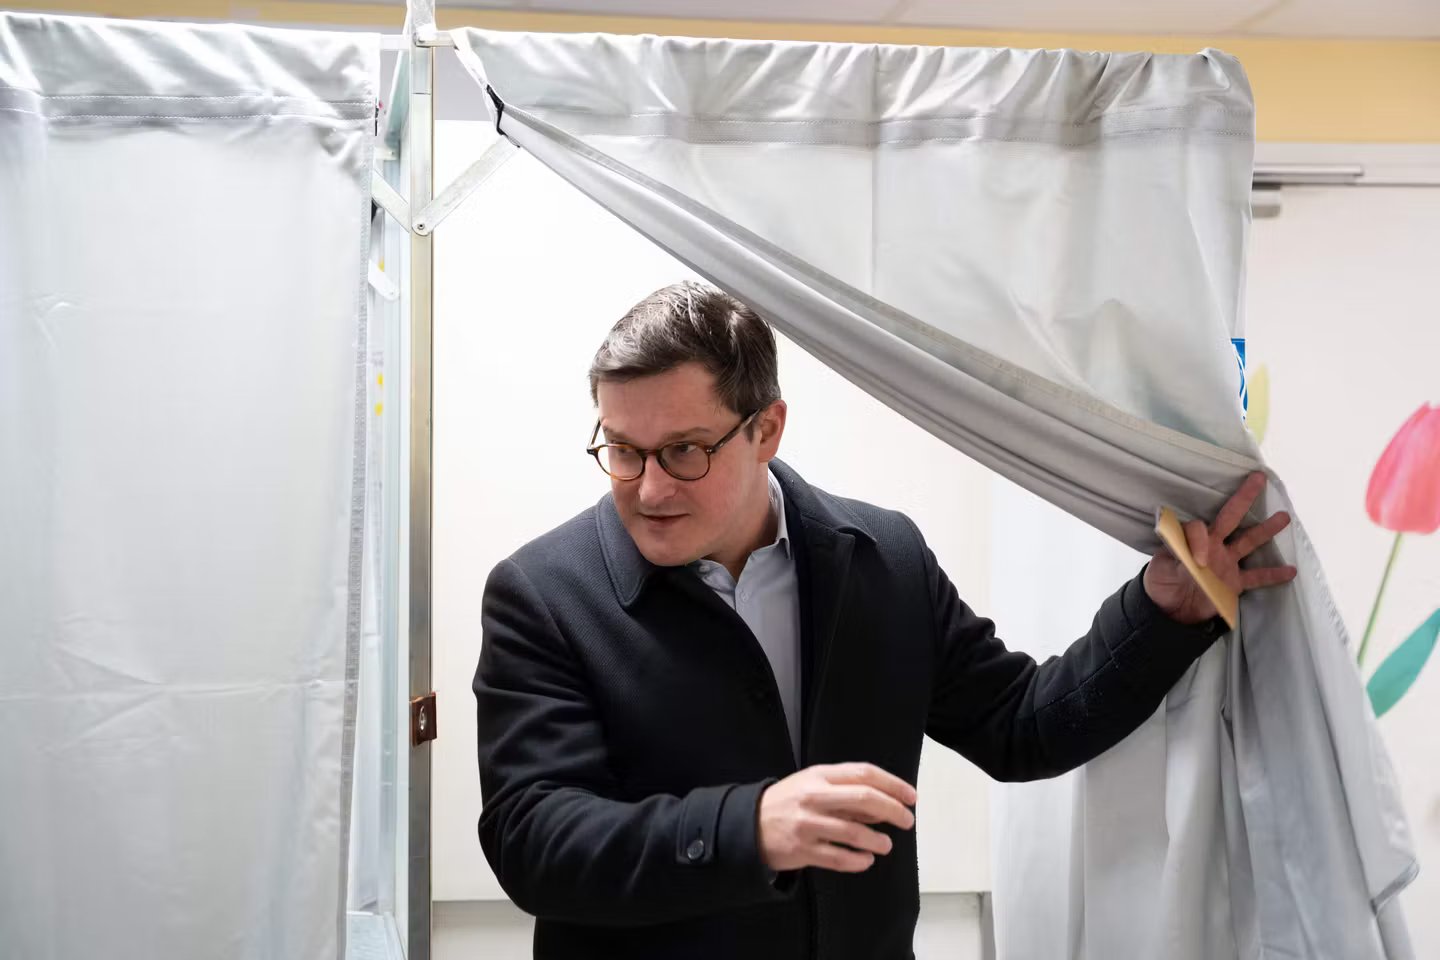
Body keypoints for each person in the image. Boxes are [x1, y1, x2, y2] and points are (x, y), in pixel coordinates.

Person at [473, 281, 1297, 960]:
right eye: (623, 449)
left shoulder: (884, 558)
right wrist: (748, 829)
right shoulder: (541, 594)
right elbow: (533, 841)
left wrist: (1162, 612)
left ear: (767, 430)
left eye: (686, 450)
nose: (650, 488)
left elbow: (1022, 726)